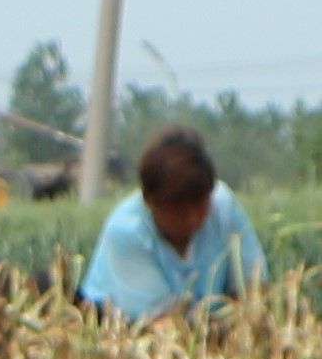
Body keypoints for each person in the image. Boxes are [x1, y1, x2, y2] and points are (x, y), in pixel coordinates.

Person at [81, 126, 266, 321]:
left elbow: (254, 289)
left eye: (200, 205)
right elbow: (163, 323)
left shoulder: (224, 206)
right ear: (150, 202)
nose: (193, 218)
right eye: (179, 211)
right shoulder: (127, 231)